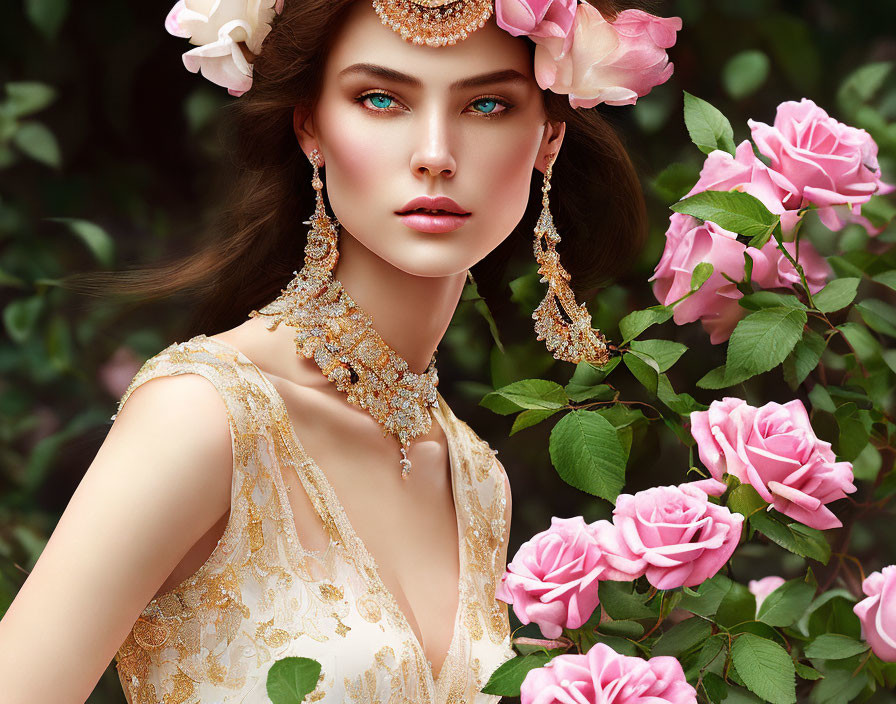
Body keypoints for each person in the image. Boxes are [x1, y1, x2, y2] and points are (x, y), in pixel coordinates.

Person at [0, 0, 676, 701]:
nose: (435, 155)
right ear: (311, 128)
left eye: (486, 106)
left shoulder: (474, 475)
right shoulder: (203, 417)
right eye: (381, 99)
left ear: (548, 142)